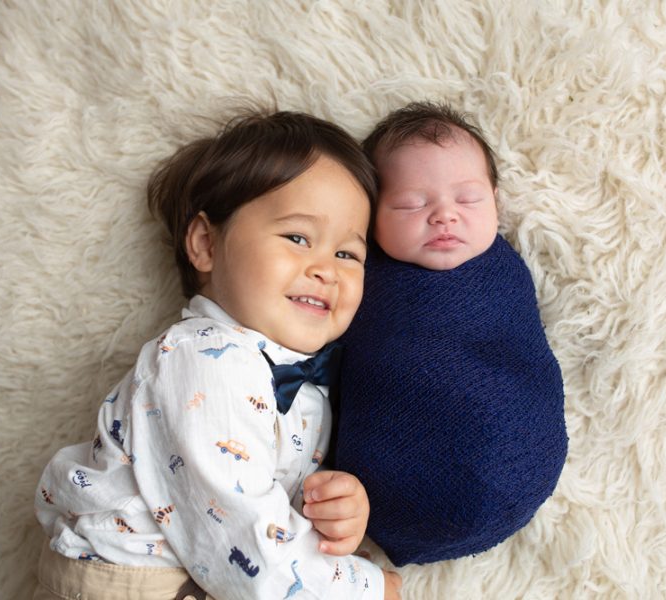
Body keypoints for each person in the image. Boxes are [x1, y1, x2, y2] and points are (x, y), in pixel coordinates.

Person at [33, 111, 402, 600]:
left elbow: (258, 512)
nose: (325, 270)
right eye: (297, 238)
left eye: (348, 255)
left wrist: (333, 511)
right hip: (139, 582)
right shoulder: (205, 360)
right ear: (206, 244)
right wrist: (372, 590)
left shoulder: (301, 378)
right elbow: (245, 544)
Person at [334, 102, 569, 566]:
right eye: (411, 203)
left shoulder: (504, 275)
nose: (444, 216)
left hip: (515, 460)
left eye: (467, 199)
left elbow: (523, 359)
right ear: (370, 214)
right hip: (374, 483)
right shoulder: (359, 275)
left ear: (495, 201)